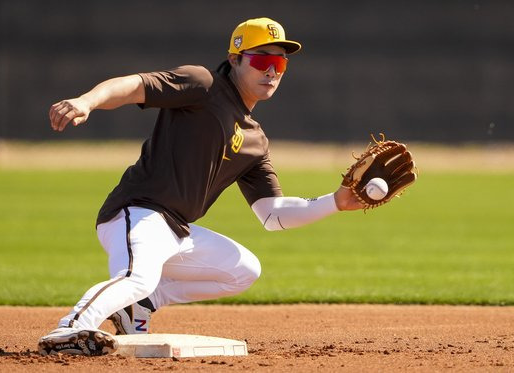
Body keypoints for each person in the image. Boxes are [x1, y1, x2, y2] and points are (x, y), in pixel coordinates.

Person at [38, 17, 363, 356]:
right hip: (137, 211)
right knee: (138, 276)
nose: (272, 71)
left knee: (243, 271)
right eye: (262, 60)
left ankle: (140, 306)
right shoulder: (202, 84)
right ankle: (71, 328)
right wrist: (86, 101)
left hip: (176, 229)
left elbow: (273, 215)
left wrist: (336, 201)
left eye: (280, 63)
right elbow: (134, 85)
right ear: (235, 59)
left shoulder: (255, 139)